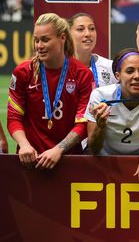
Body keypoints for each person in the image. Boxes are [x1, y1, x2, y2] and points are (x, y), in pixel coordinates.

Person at [7, 13, 93, 169]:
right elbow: (14, 117)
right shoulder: (23, 72)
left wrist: (59, 149)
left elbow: (83, 123)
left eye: (45, 40)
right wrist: (24, 145)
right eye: (36, 40)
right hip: (30, 160)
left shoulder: (83, 74)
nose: (39, 46)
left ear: (62, 38)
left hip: (69, 161)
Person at [85, 48, 139, 179]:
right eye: (130, 71)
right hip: (103, 164)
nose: (137, 76)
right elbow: (93, 148)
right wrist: (100, 127)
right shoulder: (100, 96)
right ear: (117, 76)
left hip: (137, 162)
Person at [69, 13, 115, 88]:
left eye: (92, 29)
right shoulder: (59, 67)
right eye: (80, 29)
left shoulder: (110, 67)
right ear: (69, 34)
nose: (88, 34)